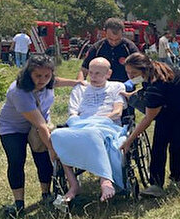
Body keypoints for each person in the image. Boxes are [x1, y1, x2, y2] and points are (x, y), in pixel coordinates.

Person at [0, 55, 81, 217]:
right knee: (16, 161)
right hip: (13, 128)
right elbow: (40, 125)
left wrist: (77, 83)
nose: (42, 80)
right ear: (28, 74)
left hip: (39, 125)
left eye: (46, 75)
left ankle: (46, 194)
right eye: (38, 76)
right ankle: (19, 204)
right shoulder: (19, 91)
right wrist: (52, 148)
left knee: (42, 159)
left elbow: (56, 81)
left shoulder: (49, 81)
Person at [121, 52, 180, 197]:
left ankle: (175, 180)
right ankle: (156, 185)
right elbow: (145, 89)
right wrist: (130, 95)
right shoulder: (152, 71)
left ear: (144, 69)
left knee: (177, 146)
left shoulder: (157, 84)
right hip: (170, 103)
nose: (130, 76)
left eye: (133, 73)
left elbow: (147, 119)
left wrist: (129, 140)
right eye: (127, 72)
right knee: (159, 142)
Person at [52, 57, 127, 204]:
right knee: (56, 135)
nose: (93, 77)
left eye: (98, 73)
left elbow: (117, 112)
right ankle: (74, 184)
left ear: (108, 73)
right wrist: (84, 124)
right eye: (91, 73)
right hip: (81, 126)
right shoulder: (81, 88)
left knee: (93, 133)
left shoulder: (117, 87)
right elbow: (73, 114)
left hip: (106, 126)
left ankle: (105, 180)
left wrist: (96, 120)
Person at [78, 18, 139, 83]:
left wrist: (132, 83)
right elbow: (83, 70)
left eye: (117, 39)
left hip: (124, 89)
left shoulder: (130, 48)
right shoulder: (97, 48)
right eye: (110, 39)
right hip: (101, 88)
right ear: (105, 33)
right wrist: (80, 83)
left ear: (123, 33)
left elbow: (144, 74)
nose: (114, 42)